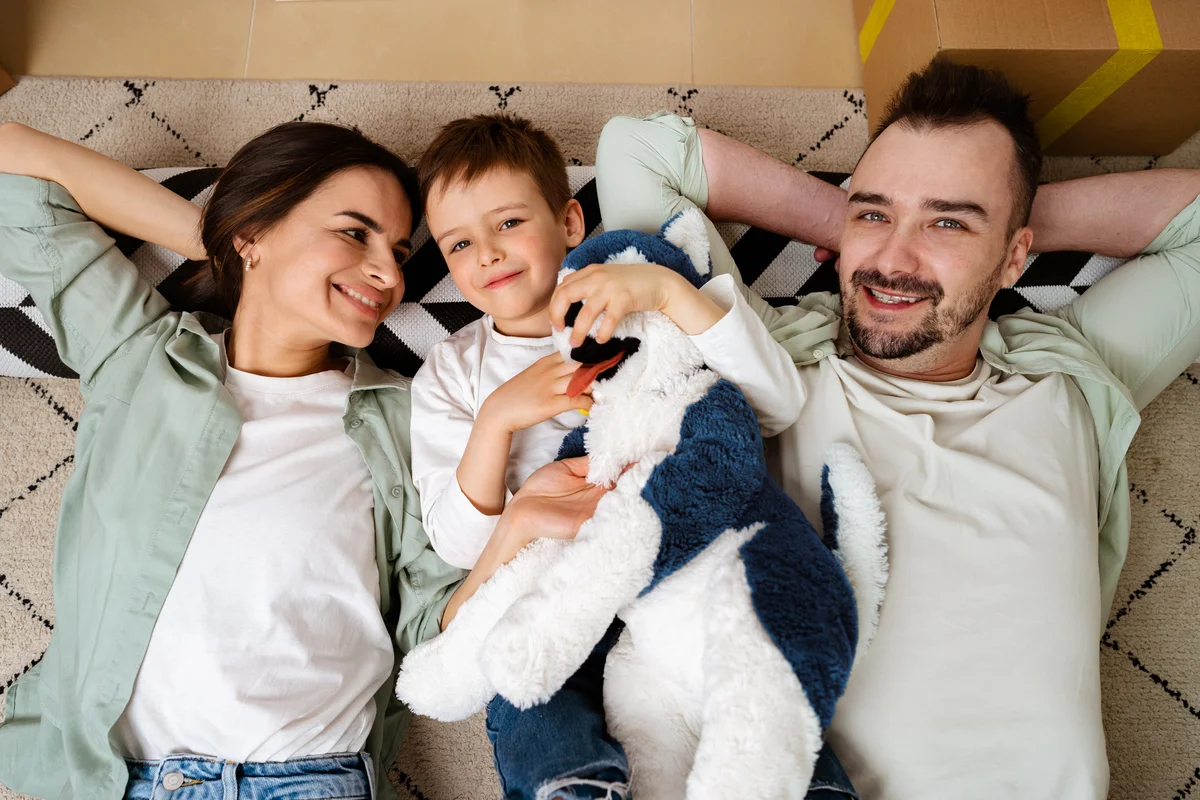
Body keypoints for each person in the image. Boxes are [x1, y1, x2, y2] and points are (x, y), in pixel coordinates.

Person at [591, 55, 1200, 799]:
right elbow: (638, 150)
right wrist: (848, 221)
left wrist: (1015, 218)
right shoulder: (760, 357)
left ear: (1016, 253)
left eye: (948, 221)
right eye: (876, 213)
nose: (892, 261)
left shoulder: (1070, 375)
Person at [0, 120, 607, 800]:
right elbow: (13, 171)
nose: (389, 275)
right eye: (355, 233)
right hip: (111, 778)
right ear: (254, 232)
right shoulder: (142, 359)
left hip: (310, 780)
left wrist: (517, 525)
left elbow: (433, 630)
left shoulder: (412, 412)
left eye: (401, 252)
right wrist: (222, 240)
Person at [410, 113, 843, 799]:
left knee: (750, 667)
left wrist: (671, 295)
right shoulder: (453, 371)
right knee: (522, 683)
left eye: (509, 224)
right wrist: (499, 419)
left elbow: (777, 403)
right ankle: (573, 786)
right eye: (459, 243)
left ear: (571, 224)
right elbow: (460, 543)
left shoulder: (642, 293)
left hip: (681, 569)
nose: (487, 254)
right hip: (554, 589)